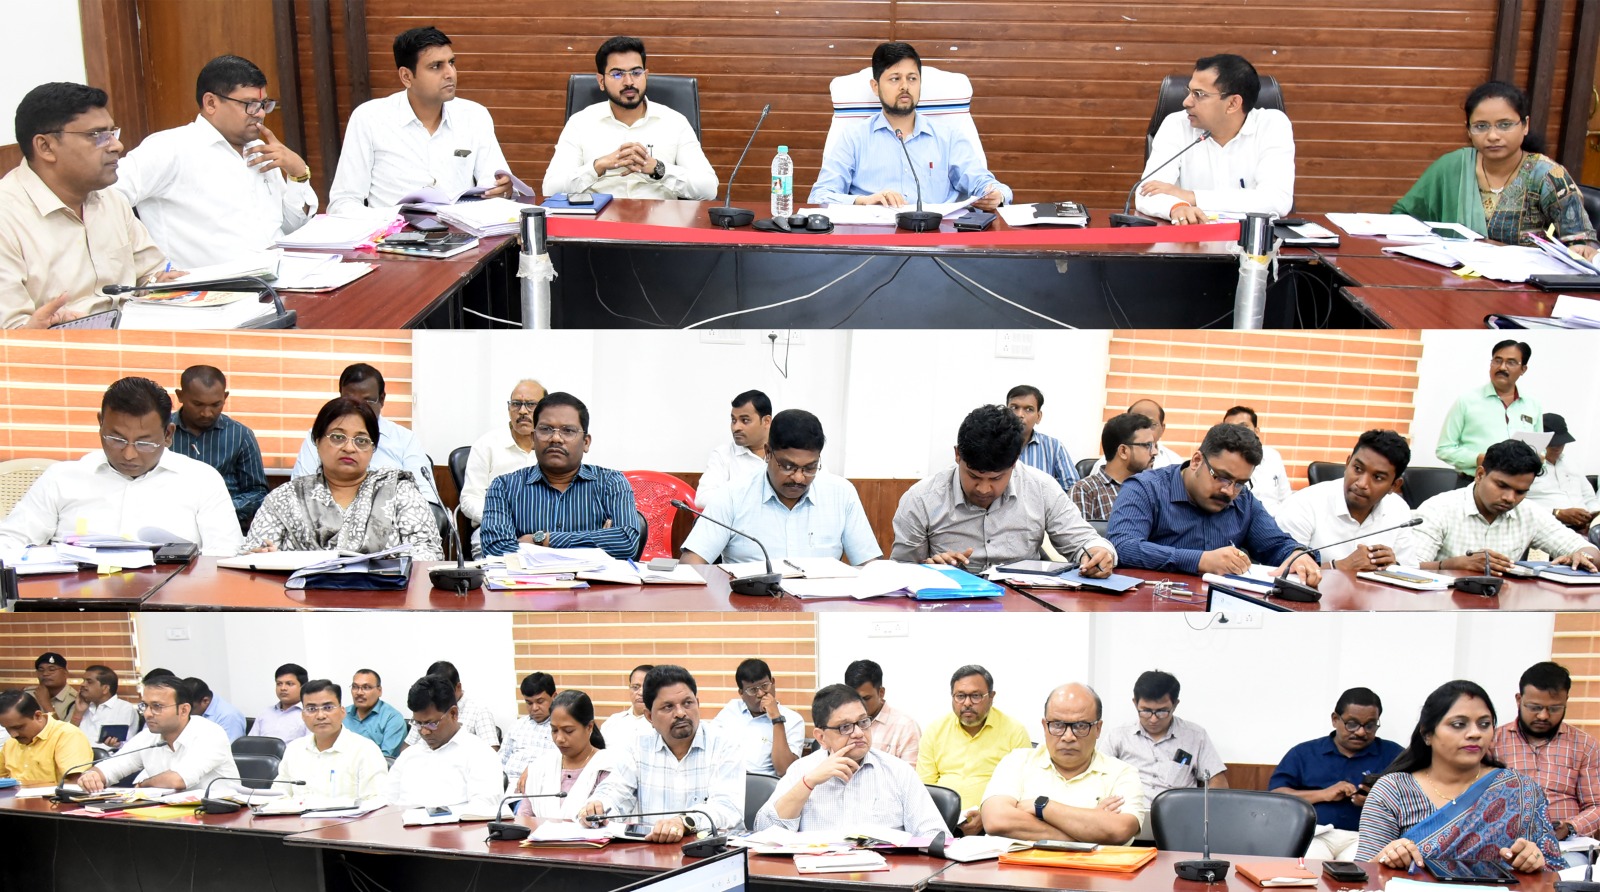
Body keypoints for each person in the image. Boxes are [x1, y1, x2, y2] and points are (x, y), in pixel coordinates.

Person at [0, 82, 182, 329]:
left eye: (112, 133)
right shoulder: (7, 216)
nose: (117, 146)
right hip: (63, 349)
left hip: (134, 337)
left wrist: (162, 284)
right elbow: (11, 333)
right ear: (46, 147)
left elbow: (152, 274)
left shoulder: (109, 198)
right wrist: (36, 330)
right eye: (97, 135)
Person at [112, 54, 315, 268]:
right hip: (210, 285)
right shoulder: (169, 148)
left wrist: (298, 173)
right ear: (211, 103)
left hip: (279, 275)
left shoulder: (261, 151)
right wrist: (145, 266)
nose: (261, 114)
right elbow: (107, 198)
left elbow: (291, 229)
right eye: (250, 104)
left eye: (264, 104)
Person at [0, 377, 241, 556]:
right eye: (116, 439)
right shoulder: (61, 478)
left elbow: (224, 555)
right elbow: (10, 542)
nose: (129, 454)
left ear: (168, 434)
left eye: (145, 443)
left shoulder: (202, 480)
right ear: (100, 424)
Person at [1357, 680, 1565, 873]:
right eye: (1458, 724)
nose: (1475, 733)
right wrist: (1388, 857)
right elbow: (1364, 875)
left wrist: (1534, 862)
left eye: (1484, 724)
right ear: (1427, 734)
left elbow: (1554, 871)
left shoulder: (1518, 789)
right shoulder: (1393, 790)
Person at [891, 405, 1116, 573]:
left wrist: (1098, 554)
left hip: (1024, 607)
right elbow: (901, 571)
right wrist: (929, 570)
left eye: (997, 478)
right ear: (958, 455)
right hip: (948, 607)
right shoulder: (921, 499)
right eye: (974, 476)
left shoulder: (1041, 488)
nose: (984, 489)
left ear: (1015, 461)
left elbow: (1085, 541)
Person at [1394, 81, 1598, 259]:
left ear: (1525, 125)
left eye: (1504, 125)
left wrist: (1580, 249)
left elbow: (1582, 243)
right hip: (1452, 276)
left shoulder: (1548, 175)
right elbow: (1402, 218)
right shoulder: (1452, 166)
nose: (1492, 136)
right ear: (1468, 130)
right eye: (1481, 126)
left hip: (1524, 284)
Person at [329, 27, 519, 213]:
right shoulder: (369, 118)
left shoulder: (474, 116)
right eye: (436, 66)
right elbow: (343, 202)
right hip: (391, 230)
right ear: (406, 76)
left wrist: (503, 192)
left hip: (461, 229)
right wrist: (388, 221)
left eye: (451, 62)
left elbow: (496, 186)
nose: (450, 73)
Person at [1109, 422, 1322, 581]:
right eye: (1222, 477)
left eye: (1240, 483)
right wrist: (1200, 560)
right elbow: (1123, 546)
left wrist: (1296, 555)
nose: (1228, 491)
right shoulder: (1145, 489)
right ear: (1197, 461)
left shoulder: (1244, 501)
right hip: (1153, 607)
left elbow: (1276, 544)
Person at [809, 42, 1010, 210]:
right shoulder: (853, 137)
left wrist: (997, 195)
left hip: (937, 236)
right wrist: (863, 201)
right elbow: (819, 196)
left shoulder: (948, 137)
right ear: (875, 87)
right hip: (873, 237)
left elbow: (985, 184)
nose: (905, 86)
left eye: (912, 78)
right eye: (895, 79)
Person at [246, 397, 443, 559]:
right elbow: (253, 552)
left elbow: (428, 552)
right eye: (338, 437)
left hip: (385, 593)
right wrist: (263, 555)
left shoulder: (399, 492)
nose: (349, 448)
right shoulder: (286, 497)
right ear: (317, 441)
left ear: (372, 449)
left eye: (361, 440)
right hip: (301, 593)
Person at [682, 409, 880, 567]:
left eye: (810, 468)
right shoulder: (732, 495)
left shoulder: (841, 494)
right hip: (749, 604)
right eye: (787, 466)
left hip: (820, 604)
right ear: (768, 453)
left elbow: (869, 566)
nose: (799, 477)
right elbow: (692, 565)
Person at [753, 684, 947, 836]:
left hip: (883, 873)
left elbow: (935, 834)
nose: (858, 733)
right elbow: (764, 831)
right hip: (818, 873)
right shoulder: (802, 770)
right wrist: (808, 783)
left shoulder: (898, 771)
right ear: (821, 737)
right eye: (845, 727)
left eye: (863, 722)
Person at [543, 36, 718, 201]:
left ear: (646, 75)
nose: (628, 81)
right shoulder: (580, 123)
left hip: (659, 219)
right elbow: (551, 189)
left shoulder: (675, 122)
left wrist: (658, 169)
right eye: (617, 74)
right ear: (601, 81)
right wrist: (598, 166)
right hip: (599, 219)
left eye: (636, 72)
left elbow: (708, 189)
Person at [580, 664, 745, 839]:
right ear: (649, 716)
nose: (680, 713)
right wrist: (598, 806)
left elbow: (727, 808)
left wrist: (684, 822)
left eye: (687, 703)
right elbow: (616, 790)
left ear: (698, 703)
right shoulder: (637, 746)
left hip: (713, 851)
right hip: (652, 850)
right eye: (668, 707)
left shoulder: (725, 744)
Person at [1134, 53, 1295, 224]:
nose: (1186, 102)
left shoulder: (1271, 125)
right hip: (1190, 235)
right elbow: (1146, 192)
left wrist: (1192, 196)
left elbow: (1277, 200)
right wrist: (1176, 206)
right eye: (1189, 91)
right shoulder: (1176, 124)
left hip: (1249, 238)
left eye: (1199, 94)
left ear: (1232, 103)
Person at [479, 392, 641, 559]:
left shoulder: (611, 483)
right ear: (533, 439)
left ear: (586, 442)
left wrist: (542, 540)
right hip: (527, 577)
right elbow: (495, 549)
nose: (556, 438)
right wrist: (598, 540)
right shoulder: (504, 487)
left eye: (568, 431)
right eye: (545, 429)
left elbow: (626, 542)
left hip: (590, 578)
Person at [979, 683, 1146, 844]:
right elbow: (996, 820)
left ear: (1098, 728)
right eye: (1057, 725)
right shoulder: (1017, 761)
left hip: (1097, 865)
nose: (1068, 737)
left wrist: (1043, 807)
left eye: (1080, 726)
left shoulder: (1122, 773)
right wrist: (1088, 831)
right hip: (1018, 864)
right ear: (1045, 726)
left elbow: (1120, 830)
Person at [1413, 439, 1599, 574]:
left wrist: (1583, 557)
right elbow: (1407, 568)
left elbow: (1590, 551)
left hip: (1503, 608)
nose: (1510, 498)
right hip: (1441, 607)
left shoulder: (1529, 512)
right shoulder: (1439, 509)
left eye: (1521, 492)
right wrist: (1451, 565)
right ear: (1480, 475)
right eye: (1502, 486)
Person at [1269, 687, 1405, 861]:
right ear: (1335, 719)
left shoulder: (1395, 755)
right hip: (1316, 834)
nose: (1361, 732)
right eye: (1352, 724)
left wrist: (1376, 803)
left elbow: (1416, 801)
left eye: (1370, 725)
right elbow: (1277, 797)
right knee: (1308, 869)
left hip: (1366, 837)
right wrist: (1323, 794)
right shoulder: (1304, 753)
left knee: (1360, 871)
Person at [290, 363, 440, 505]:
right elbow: (299, 491)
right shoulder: (321, 434)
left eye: (367, 401)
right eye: (349, 400)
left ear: (382, 399)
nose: (357, 408)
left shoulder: (404, 439)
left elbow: (427, 498)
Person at [1100, 671, 1226, 838]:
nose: (1153, 719)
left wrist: (1202, 815)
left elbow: (1218, 782)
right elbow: (1098, 777)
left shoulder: (1195, 736)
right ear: (1135, 703)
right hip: (1126, 824)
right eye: (1145, 711)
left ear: (1175, 704)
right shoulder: (1118, 736)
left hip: (1181, 826)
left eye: (1162, 711)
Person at [1275, 430, 1417, 571]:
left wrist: (1393, 568)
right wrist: (1340, 567)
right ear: (1347, 463)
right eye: (1358, 469)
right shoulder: (1303, 503)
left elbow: (1410, 572)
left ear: (1394, 485)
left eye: (1378, 477)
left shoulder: (1399, 510)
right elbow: (1280, 570)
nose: (1362, 483)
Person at [917, 664, 1033, 835]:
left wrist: (986, 816)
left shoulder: (1014, 731)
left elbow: (1024, 791)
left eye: (976, 696)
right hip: (941, 825)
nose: (967, 703)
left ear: (991, 697)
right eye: (960, 696)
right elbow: (924, 787)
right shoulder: (935, 730)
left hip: (994, 828)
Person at [1494, 662, 1600, 843]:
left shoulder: (1585, 745)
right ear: (1519, 700)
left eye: (1554, 708)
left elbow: (1596, 805)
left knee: (1572, 862)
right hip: (1505, 841)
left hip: (1565, 844)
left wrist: (1570, 827)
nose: (1543, 716)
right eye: (1535, 707)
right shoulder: (1492, 742)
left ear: (1566, 701)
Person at [78, 675, 239, 793]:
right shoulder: (149, 736)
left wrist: (143, 785)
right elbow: (114, 766)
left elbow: (178, 780)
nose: (147, 714)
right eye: (145, 706)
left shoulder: (210, 733)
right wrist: (92, 776)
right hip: (166, 815)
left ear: (184, 710)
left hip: (219, 817)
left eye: (157, 706)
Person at [382, 674, 502, 817]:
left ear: (453, 713)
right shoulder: (408, 756)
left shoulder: (480, 754)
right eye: (418, 723)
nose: (424, 732)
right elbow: (387, 801)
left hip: (455, 829)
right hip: (402, 827)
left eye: (431, 723)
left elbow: (483, 809)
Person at [170, 365, 268, 530]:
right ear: (180, 396)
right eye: (198, 404)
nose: (207, 413)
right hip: (170, 523)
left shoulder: (240, 435)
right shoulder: (160, 431)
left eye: (216, 404)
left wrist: (223, 510)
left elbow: (257, 492)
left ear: (225, 397)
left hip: (226, 526)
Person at [459, 379, 547, 555]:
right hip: (496, 530)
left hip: (544, 533)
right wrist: (499, 519)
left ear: (546, 410)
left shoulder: (554, 447)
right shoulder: (486, 445)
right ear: (509, 409)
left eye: (530, 404)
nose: (522, 411)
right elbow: (470, 499)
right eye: (516, 404)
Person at [1436, 340, 1542, 479]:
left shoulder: (1533, 405)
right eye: (1497, 361)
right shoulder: (1467, 400)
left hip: (1516, 486)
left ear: (1523, 369)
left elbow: (1540, 450)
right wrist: (1480, 459)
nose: (1502, 367)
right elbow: (1444, 449)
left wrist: (1539, 459)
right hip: (1474, 481)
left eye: (1511, 362)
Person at [274, 679, 388, 802]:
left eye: (328, 707)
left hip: (348, 815)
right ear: (303, 715)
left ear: (342, 712)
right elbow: (278, 795)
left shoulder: (365, 750)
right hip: (298, 815)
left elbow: (376, 801)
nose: (320, 716)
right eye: (311, 709)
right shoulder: (294, 749)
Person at [515, 690, 615, 819]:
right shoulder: (540, 767)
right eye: (554, 730)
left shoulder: (605, 766)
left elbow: (610, 815)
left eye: (568, 731)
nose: (559, 739)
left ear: (589, 727)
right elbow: (524, 819)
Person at [713, 658, 805, 776]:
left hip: (766, 784)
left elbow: (784, 770)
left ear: (773, 682)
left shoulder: (793, 719)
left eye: (765, 686)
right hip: (729, 778)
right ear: (741, 693)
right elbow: (711, 747)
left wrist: (776, 718)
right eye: (752, 690)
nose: (761, 694)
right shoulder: (731, 710)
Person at [1070, 412, 1157, 522]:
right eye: (1148, 445)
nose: (1155, 452)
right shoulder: (1085, 491)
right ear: (1123, 451)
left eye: (1155, 445)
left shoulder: (1155, 489)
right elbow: (1079, 533)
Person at [694, 390, 772, 507]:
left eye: (745, 420)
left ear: (766, 421)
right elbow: (702, 498)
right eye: (733, 420)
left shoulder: (784, 453)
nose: (736, 427)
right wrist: (750, 499)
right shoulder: (723, 454)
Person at [0, 691, 94, 785]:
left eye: (18, 727)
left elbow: (75, 783)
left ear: (38, 716)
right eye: (7, 728)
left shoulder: (67, 735)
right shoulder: (10, 743)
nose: (13, 735)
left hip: (53, 795)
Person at [401, 661, 500, 751]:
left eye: (432, 723)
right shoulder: (424, 714)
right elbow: (407, 747)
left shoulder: (479, 711)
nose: (424, 731)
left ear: (458, 687)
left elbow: (491, 752)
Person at [1526, 414, 1599, 531]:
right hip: (1547, 528)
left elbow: (1589, 498)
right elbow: (1519, 505)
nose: (1557, 447)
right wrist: (1556, 513)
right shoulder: (1526, 468)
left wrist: (1594, 516)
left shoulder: (1571, 464)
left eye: (1562, 442)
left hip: (1585, 528)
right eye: (1552, 443)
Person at [843, 659, 921, 765]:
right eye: (854, 698)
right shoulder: (840, 725)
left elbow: (910, 773)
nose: (859, 704)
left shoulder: (905, 727)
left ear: (881, 692)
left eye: (866, 698)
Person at [1006, 385, 1078, 490]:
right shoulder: (991, 443)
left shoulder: (1054, 447)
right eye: (1014, 408)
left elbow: (1073, 488)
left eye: (1029, 409)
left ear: (1038, 417)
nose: (1020, 414)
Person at [1222, 406, 1290, 513]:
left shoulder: (1273, 456)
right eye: (1230, 429)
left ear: (1256, 431)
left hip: (1276, 518)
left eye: (1243, 427)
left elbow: (1286, 499)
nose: (1237, 433)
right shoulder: (1220, 461)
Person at [502, 671, 558, 785]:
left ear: (554, 697)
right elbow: (501, 760)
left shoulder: (560, 728)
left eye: (540, 701)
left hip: (538, 786)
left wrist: (534, 770)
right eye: (529, 703)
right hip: (506, 785)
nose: (534, 708)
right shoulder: (517, 726)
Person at [71, 664, 138, 749]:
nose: (82, 684)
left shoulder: (124, 708)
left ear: (105, 688)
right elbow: (68, 738)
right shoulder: (84, 706)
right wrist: (78, 714)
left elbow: (125, 745)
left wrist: (116, 744)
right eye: (83, 680)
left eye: (89, 682)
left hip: (108, 756)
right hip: (79, 754)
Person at [345, 669, 407, 758]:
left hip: (375, 766)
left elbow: (387, 758)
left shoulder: (392, 718)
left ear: (379, 691)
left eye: (366, 687)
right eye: (355, 687)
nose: (359, 692)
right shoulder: (342, 715)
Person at [249, 663, 309, 744]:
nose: (283, 688)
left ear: (303, 687)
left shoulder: (309, 714)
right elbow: (250, 743)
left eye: (289, 684)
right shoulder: (265, 713)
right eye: (279, 684)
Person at [604, 665, 655, 750]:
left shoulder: (661, 725)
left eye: (647, 687)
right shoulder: (613, 721)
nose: (641, 693)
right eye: (635, 687)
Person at [188, 677, 247, 742]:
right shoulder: (198, 711)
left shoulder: (229, 717)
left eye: (190, 708)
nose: (186, 712)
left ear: (205, 701)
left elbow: (229, 747)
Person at [33, 652, 77, 721]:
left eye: (52, 670)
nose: (45, 673)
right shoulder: (28, 694)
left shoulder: (75, 701)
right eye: (41, 670)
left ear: (65, 672)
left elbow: (66, 728)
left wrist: (46, 704)